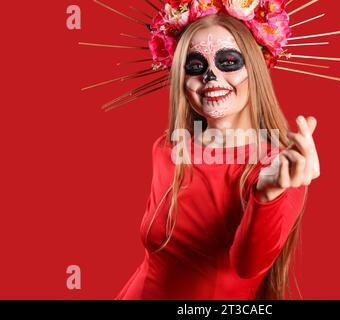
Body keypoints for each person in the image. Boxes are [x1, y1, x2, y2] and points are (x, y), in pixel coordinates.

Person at [115, 8, 320, 300]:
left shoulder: (280, 166)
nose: (211, 77)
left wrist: (267, 192)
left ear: (255, 69)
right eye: (196, 65)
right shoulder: (168, 149)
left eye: (228, 62)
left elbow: (248, 266)